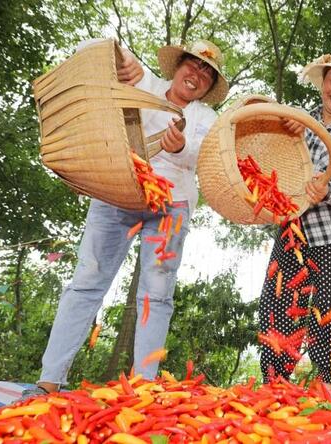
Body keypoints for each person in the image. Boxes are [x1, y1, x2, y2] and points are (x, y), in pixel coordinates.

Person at [28, 38, 229, 395]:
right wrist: (122, 58)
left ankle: (143, 385)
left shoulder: (207, 120)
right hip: (118, 191)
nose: (196, 75)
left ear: (210, 87)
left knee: (157, 292)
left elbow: (203, 161)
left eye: (207, 74)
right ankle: (49, 380)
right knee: (87, 280)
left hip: (171, 205)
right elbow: (94, 49)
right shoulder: (143, 82)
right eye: (193, 65)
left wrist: (180, 147)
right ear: (177, 67)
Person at [258, 46, 331, 385]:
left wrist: (329, 190)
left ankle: (329, 382)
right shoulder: (296, 123)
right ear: (322, 82)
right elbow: (275, 165)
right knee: (279, 306)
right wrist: (280, 132)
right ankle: (275, 382)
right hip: (292, 232)